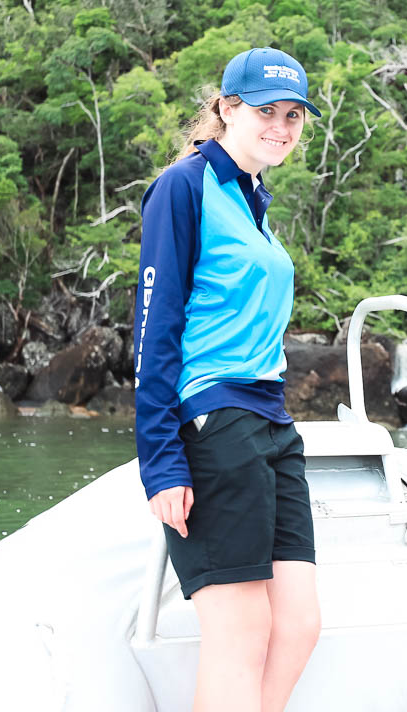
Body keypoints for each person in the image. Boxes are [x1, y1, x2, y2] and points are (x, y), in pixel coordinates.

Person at [132, 46, 323, 712]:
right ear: (228, 108)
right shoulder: (184, 187)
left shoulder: (252, 197)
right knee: (241, 632)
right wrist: (160, 462)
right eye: (267, 111)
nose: (282, 126)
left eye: (294, 115)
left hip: (270, 423)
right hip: (216, 423)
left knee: (298, 625)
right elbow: (155, 332)